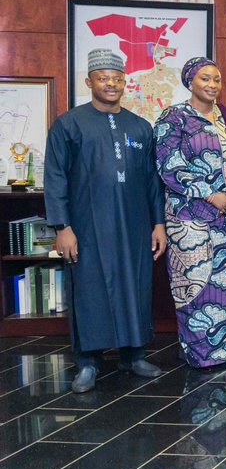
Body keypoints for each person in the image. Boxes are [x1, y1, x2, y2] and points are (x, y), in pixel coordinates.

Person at [44, 48, 167, 393]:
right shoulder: (69, 124)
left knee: (135, 286)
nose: (111, 84)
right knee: (89, 290)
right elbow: (55, 177)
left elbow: (152, 181)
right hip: (86, 226)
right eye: (103, 79)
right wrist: (62, 227)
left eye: (116, 78)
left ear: (124, 82)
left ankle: (134, 354)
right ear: (89, 82)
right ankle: (87, 362)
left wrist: (158, 224)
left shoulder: (140, 127)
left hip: (133, 226)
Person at [154, 57, 226, 368]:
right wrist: (211, 195)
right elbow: (167, 165)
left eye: (216, 80)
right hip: (190, 220)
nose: (212, 85)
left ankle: (225, 350)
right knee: (195, 286)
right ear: (190, 82)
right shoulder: (175, 117)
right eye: (204, 79)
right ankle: (198, 354)